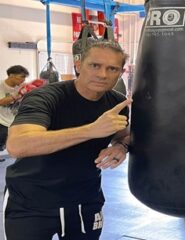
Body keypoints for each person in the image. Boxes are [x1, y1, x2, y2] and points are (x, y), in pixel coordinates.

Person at [3, 40, 132, 240]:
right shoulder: (46, 97)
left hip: (85, 198)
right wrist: (91, 130)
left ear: (121, 72)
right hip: (31, 201)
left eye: (112, 68)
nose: (102, 74)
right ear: (78, 65)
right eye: (95, 65)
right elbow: (17, 145)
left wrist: (121, 147)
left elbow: (123, 135)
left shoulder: (117, 103)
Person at [0, 65, 29, 153]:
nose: (23, 79)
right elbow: (1, 102)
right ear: (11, 75)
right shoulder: (1, 85)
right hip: (1, 120)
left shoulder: (23, 86)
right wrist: (18, 94)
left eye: (25, 77)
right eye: (22, 76)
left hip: (15, 120)